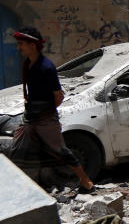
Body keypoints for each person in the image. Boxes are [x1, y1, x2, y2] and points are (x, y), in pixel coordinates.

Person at [7, 26, 94, 192]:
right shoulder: (28, 64)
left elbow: (58, 96)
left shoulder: (47, 67)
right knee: (18, 148)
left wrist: (47, 113)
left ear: (32, 45)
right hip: (30, 116)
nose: (19, 48)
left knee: (60, 150)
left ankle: (86, 181)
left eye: (21, 44)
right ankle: (22, 187)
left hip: (45, 117)